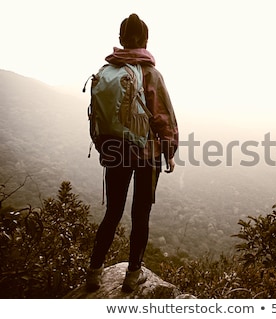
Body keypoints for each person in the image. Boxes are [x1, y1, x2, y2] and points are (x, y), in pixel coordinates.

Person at [86, 13, 178, 293]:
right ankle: (132, 276)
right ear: (146, 40)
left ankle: (93, 273)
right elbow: (162, 115)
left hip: (115, 150)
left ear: (121, 40)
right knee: (141, 214)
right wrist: (169, 151)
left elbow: (96, 117)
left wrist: (104, 147)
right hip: (146, 154)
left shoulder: (105, 72)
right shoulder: (150, 74)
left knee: (112, 212)